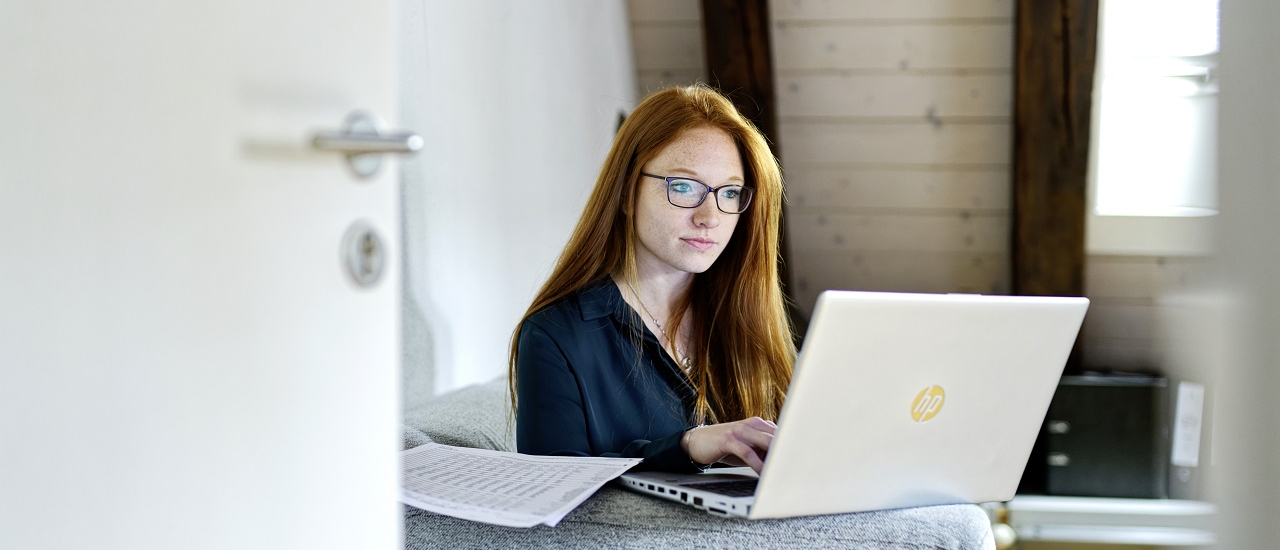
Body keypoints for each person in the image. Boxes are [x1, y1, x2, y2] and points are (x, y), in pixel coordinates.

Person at [507, 84, 795, 473]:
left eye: (728, 193)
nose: (710, 216)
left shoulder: (747, 317)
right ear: (626, 191)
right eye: (683, 186)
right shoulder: (555, 335)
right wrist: (686, 446)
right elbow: (550, 486)